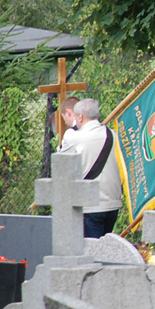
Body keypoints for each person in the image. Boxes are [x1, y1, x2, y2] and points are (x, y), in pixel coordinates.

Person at [58, 98, 122, 238]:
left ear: (79, 116)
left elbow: (60, 167)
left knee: (90, 253)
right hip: (113, 203)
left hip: (90, 206)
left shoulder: (75, 138)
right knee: (104, 252)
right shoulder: (113, 135)